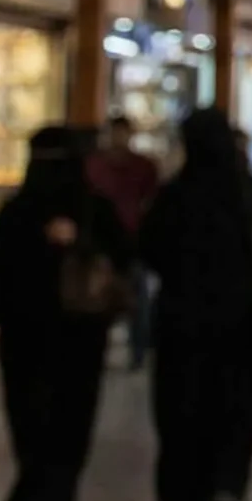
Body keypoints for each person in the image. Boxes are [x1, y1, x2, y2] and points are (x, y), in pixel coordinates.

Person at [0, 125, 133, 501]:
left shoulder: (70, 212)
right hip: (60, 333)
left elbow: (122, 258)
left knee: (47, 414)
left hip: (57, 332)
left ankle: (48, 497)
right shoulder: (29, 212)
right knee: (46, 415)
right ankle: (42, 493)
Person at [137, 108, 252, 501]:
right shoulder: (248, 195)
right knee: (236, 405)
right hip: (237, 319)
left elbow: (148, 247)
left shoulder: (174, 195)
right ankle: (227, 484)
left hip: (181, 320)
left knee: (181, 410)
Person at [86, 116, 160, 371]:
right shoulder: (95, 165)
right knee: (101, 299)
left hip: (132, 239)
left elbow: (150, 201)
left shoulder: (143, 167)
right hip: (101, 242)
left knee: (136, 299)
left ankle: (137, 350)